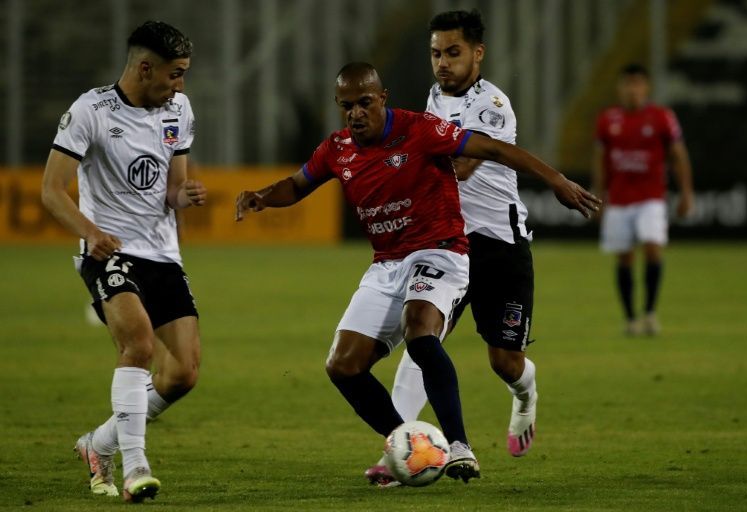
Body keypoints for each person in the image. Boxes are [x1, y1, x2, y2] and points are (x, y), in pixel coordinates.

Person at [235, 62, 599, 485]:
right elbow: (298, 184)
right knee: (342, 366)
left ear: (382, 97)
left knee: (421, 332)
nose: (356, 113)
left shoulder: (421, 129)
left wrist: (556, 180)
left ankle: (460, 447)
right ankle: (406, 445)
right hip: (386, 263)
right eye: (347, 106)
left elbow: (494, 149)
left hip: (440, 250)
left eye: (365, 103)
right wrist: (262, 196)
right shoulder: (337, 149)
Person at [373, 10, 546, 481]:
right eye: (436, 53)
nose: (442, 63)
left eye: (453, 53)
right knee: (421, 340)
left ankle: (526, 394)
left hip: (500, 247)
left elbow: (460, 167)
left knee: (505, 362)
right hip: (449, 244)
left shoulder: (492, 106)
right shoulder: (434, 97)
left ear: (477, 53)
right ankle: (397, 452)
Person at [41, 21, 206, 502]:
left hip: (162, 253)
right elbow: (51, 191)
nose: (180, 85)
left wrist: (184, 195)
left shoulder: (179, 108)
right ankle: (134, 467)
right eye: (175, 74)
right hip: (109, 250)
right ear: (144, 67)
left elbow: (173, 189)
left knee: (184, 374)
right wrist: (89, 232)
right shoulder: (90, 110)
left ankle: (98, 444)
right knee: (137, 344)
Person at [592, 64, 694, 336]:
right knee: (624, 258)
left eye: (637, 84)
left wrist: (686, 192)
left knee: (652, 248)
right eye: (627, 84)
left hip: (652, 197)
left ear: (646, 87)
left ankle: (649, 312)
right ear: (620, 88)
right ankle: (630, 318)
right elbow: (601, 161)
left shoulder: (662, 117)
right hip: (619, 199)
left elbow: (679, 155)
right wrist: (597, 196)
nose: (632, 90)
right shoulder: (607, 119)